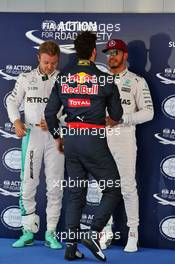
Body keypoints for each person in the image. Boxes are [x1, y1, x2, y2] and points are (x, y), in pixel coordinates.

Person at [45, 31, 123, 262]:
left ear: (76, 52)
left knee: (75, 193)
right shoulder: (105, 78)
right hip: (93, 140)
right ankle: (92, 232)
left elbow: (50, 114)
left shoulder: (62, 78)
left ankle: (70, 248)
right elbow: (117, 114)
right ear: (93, 53)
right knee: (113, 187)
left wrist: (59, 137)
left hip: (71, 140)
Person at [6, 41, 64, 249]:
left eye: (54, 63)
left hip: (56, 137)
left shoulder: (63, 79)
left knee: (55, 185)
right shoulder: (25, 78)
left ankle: (51, 233)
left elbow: (71, 109)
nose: (50, 67)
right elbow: (11, 101)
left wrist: (56, 121)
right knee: (28, 184)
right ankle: (27, 231)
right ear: (39, 57)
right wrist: (16, 121)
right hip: (32, 136)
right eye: (47, 62)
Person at [100, 39, 154, 252]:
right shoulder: (100, 80)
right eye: (109, 53)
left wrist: (122, 119)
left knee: (128, 187)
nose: (111, 56)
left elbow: (149, 113)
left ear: (125, 55)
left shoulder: (137, 81)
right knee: (104, 187)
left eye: (116, 52)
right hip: (101, 140)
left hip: (124, 138)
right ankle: (105, 230)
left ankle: (133, 233)